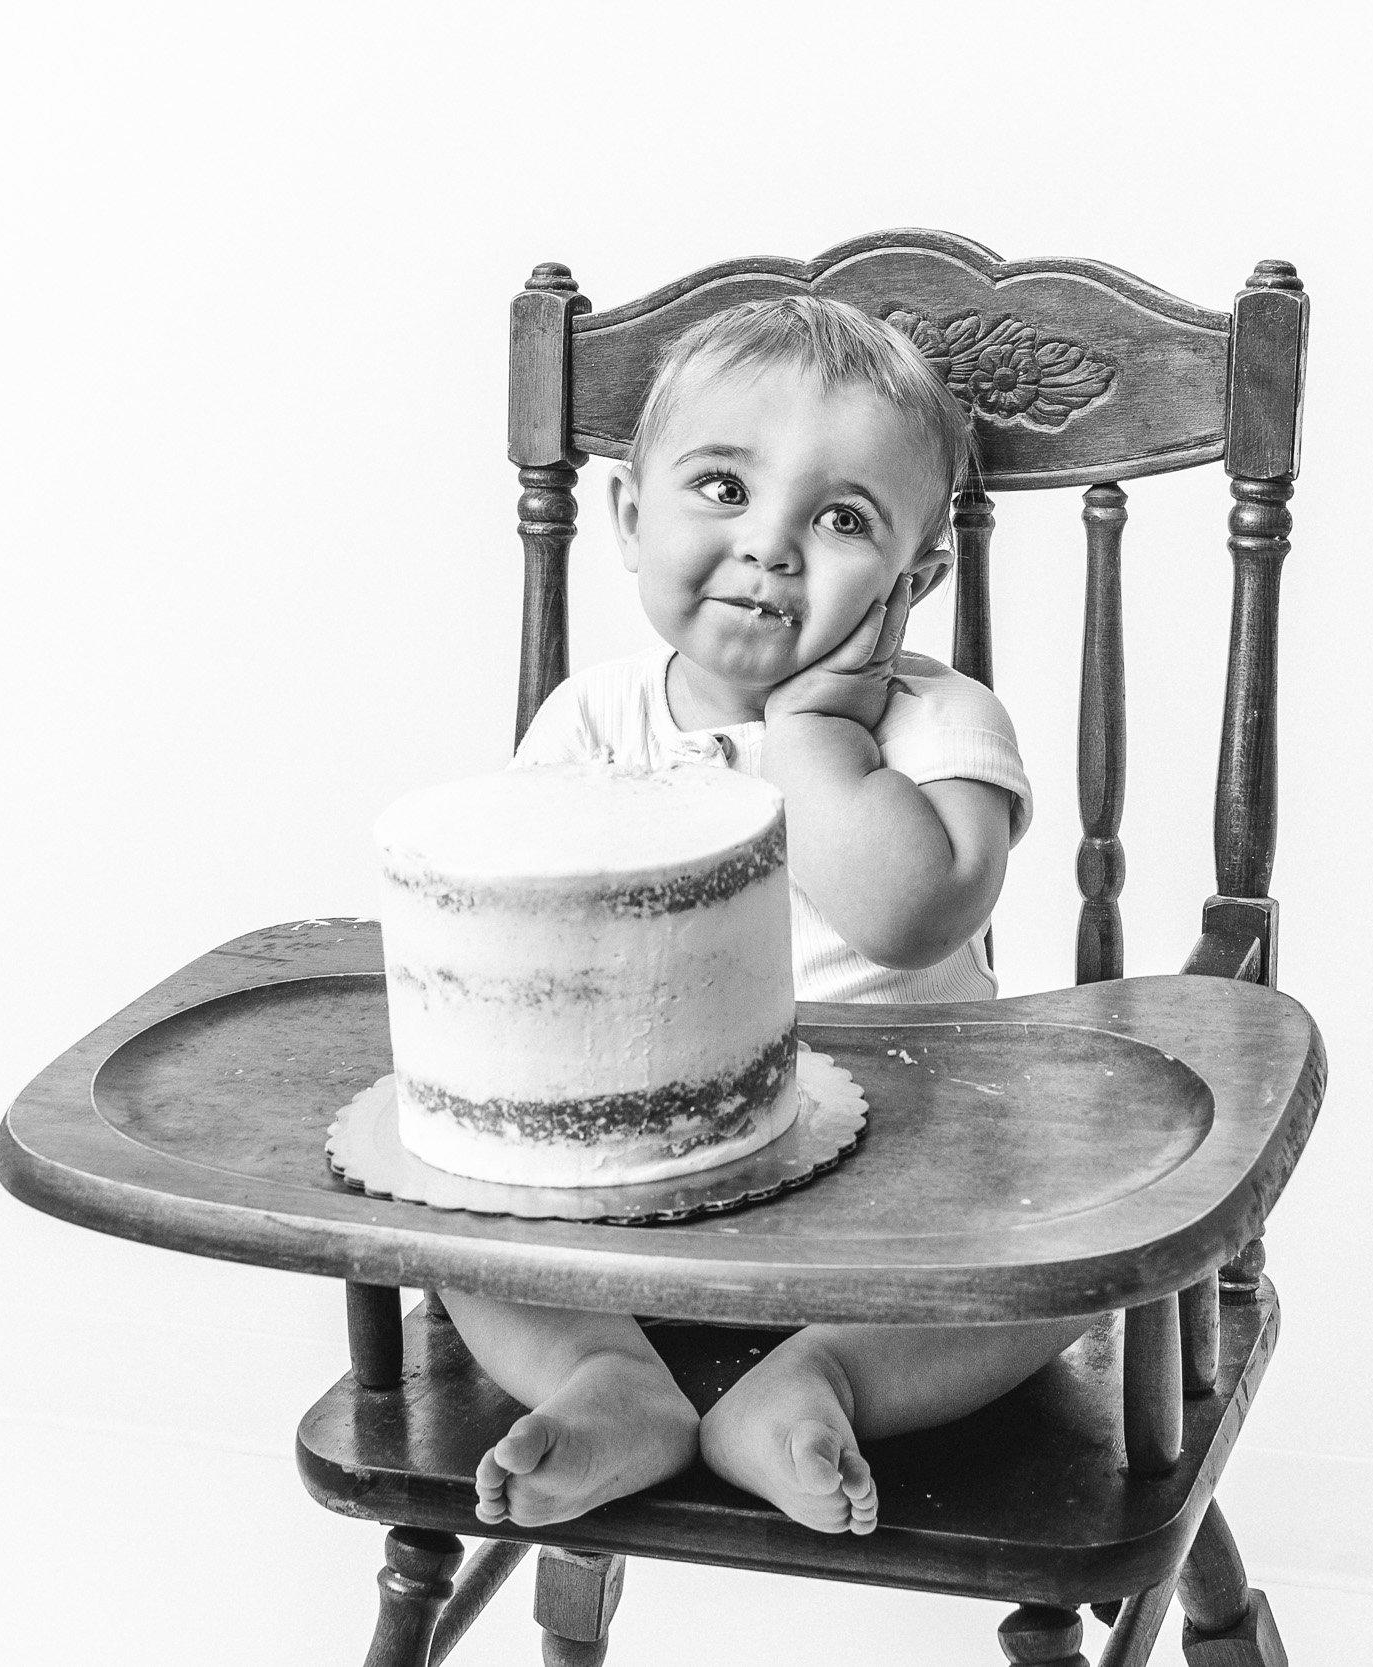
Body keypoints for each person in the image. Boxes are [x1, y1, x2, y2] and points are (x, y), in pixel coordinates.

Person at [448, 295, 1089, 1537]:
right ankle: (610, 1376)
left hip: (902, 1205)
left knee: (1081, 1263)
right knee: (441, 1221)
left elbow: (908, 915)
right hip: (644, 1181)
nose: (771, 547)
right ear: (632, 518)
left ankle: (823, 1377)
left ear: (917, 576)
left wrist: (808, 736)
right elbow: (529, 950)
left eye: (840, 518)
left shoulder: (935, 723)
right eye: (722, 489)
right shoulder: (593, 724)